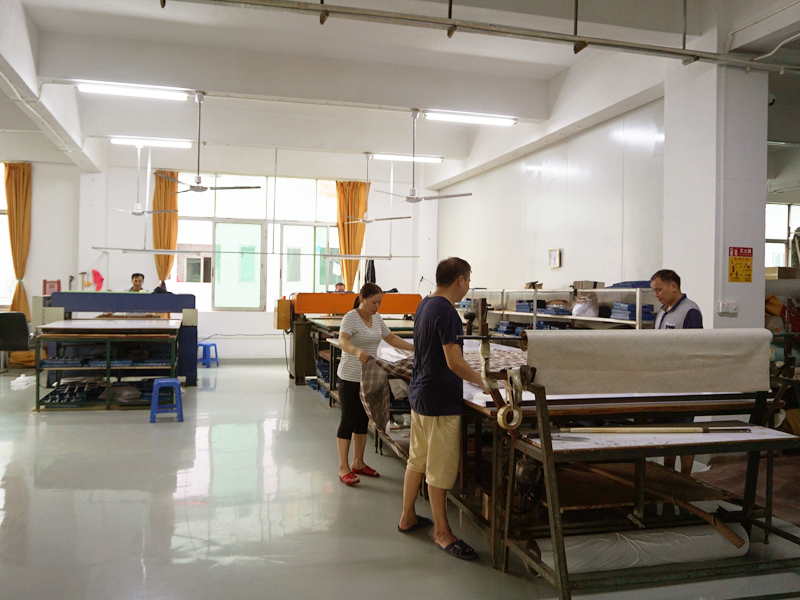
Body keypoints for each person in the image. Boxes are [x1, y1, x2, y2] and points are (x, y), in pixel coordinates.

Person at [398, 257, 486, 561]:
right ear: (460, 279)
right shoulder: (448, 311)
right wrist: (483, 383)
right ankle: (442, 533)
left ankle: (407, 516)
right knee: (440, 468)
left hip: (421, 395)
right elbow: (455, 362)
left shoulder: (425, 304)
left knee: (417, 459)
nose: (468, 286)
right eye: (468, 280)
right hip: (440, 402)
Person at [336, 283, 414, 486]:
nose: (377, 306)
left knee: (363, 420)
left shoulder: (377, 318)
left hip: (369, 377)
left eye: (379, 303)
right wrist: (356, 351)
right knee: (348, 420)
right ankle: (343, 467)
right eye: (374, 302)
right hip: (350, 377)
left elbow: (391, 338)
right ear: (362, 299)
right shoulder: (351, 317)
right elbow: (342, 340)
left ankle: (358, 462)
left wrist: (415, 348)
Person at [650, 269, 703, 476]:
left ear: (673, 286)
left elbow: (695, 350)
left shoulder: (690, 311)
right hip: (662, 383)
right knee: (667, 432)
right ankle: (668, 473)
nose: (656, 295)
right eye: (654, 291)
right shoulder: (662, 311)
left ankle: (686, 478)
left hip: (683, 385)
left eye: (659, 289)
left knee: (685, 433)